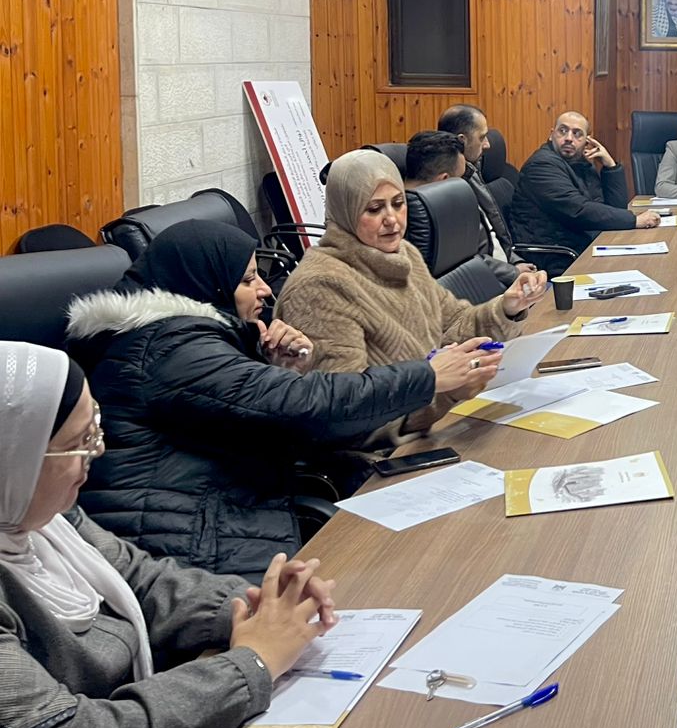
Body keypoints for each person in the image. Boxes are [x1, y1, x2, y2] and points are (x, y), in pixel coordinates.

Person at [64, 219, 498, 577]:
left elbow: (258, 414)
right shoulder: (169, 349)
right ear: (207, 283)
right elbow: (310, 406)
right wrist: (427, 376)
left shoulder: (180, 339)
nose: (265, 290)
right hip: (188, 550)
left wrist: (275, 369)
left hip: (222, 513)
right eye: (247, 279)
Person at [0, 340, 340, 728]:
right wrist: (252, 662)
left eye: (96, 428)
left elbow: (141, 578)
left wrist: (260, 605)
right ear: (14, 459)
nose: (99, 450)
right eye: (81, 441)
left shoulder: (44, 518)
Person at [277, 148, 544, 434]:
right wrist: (445, 392)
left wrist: (506, 307)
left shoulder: (403, 254)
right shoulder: (318, 287)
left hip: (434, 424)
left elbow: (453, 323)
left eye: (398, 203)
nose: (392, 219)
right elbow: (348, 413)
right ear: (345, 212)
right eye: (374, 209)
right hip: (387, 453)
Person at [505, 111, 661, 274]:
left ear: (587, 141)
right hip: (556, 256)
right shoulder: (541, 166)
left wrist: (610, 166)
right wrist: (634, 220)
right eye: (563, 131)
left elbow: (614, 208)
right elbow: (579, 210)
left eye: (577, 134)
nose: (568, 138)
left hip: (580, 246)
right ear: (551, 135)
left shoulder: (579, 163)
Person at [402, 130, 532, 288]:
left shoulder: (435, 202)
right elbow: (468, 262)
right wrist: (514, 272)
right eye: (462, 178)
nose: (466, 183)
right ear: (445, 180)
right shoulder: (420, 216)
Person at [438, 104, 517, 262]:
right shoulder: (447, 187)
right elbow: (469, 259)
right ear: (462, 141)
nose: (487, 144)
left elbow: (497, 238)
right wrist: (513, 271)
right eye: (482, 137)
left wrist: (516, 261)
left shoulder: (471, 172)